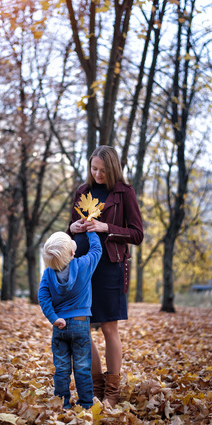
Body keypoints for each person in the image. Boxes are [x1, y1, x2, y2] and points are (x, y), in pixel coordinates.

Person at [67, 146, 144, 407]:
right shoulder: (82, 191)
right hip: (82, 268)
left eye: (102, 170)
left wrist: (106, 227)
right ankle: (96, 388)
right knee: (82, 327)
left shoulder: (125, 193)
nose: (97, 174)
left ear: (113, 168)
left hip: (110, 268)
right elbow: (70, 230)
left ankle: (112, 393)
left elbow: (137, 234)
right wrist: (73, 227)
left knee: (110, 328)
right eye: (93, 168)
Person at [38, 230, 102, 409]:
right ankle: (86, 404)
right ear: (73, 253)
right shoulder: (82, 265)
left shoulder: (48, 274)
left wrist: (53, 318)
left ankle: (63, 404)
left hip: (60, 326)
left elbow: (43, 298)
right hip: (81, 324)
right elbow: (97, 251)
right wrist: (92, 232)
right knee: (82, 368)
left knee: (62, 369)